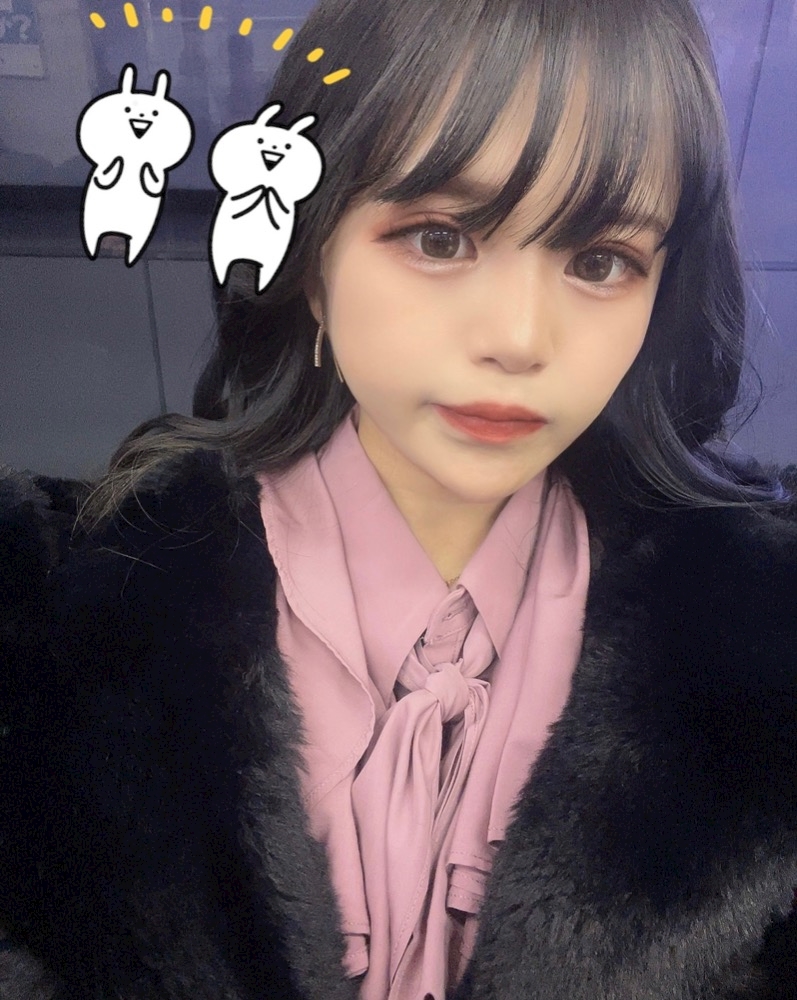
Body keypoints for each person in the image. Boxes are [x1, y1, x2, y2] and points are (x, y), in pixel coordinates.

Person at [2, 0, 797, 997]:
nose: (518, 337)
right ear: (309, 256)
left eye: (600, 262)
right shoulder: (53, 615)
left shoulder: (763, 641)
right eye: (438, 238)